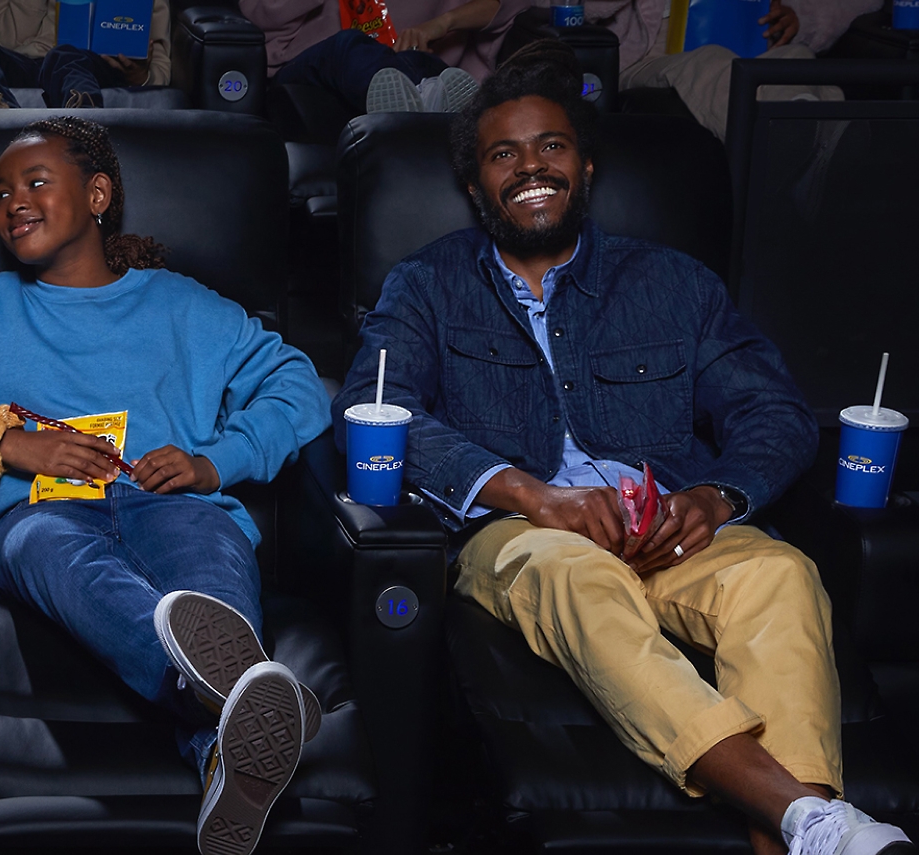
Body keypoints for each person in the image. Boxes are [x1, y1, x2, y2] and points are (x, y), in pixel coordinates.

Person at [332, 49, 914, 855]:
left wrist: (714, 497)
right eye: (504, 155)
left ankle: (806, 832)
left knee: (783, 574)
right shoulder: (426, 286)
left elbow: (771, 410)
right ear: (476, 188)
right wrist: (534, 496)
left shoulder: (675, 284)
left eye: (552, 147)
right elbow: (379, 407)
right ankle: (808, 817)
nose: (530, 167)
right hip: (528, 534)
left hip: (672, 529)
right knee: (577, 575)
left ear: (588, 166)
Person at [0, 117, 328, 855]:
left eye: (37, 182)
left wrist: (216, 462)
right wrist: (7, 443)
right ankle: (232, 695)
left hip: (176, 501)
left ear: (98, 193)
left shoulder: (183, 305)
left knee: (209, 566)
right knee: (60, 555)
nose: (14, 202)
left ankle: (224, 753)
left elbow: (297, 383)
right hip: (40, 513)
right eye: (1, 192)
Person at [584, 0, 835, 140]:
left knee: (798, 58)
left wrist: (799, 16)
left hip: (750, 42)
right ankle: (793, 147)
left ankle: (815, 149)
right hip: (646, 54)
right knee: (714, 62)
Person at [239, 0, 532, 114]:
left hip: (410, 61)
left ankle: (417, 97)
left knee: (420, 64)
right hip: (310, 74)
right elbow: (261, 12)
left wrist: (441, 24)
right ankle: (421, 102)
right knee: (347, 45)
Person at [0, 0, 170, 109]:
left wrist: (139, 75)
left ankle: (83, 126)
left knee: (65, 55)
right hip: (26, 63)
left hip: (88, 67)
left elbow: (161, 69)